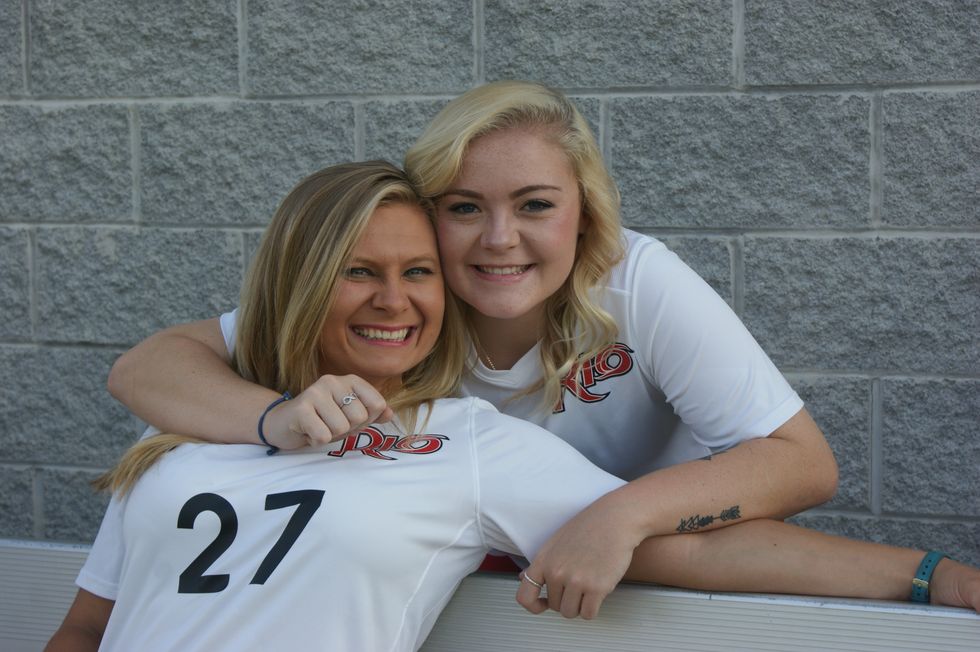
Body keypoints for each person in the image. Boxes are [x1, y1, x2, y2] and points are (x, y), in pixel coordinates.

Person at [47, 161, 980, 651]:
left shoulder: (463, 442)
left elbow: (684, 549)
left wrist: (929, 575)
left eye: (420, 273)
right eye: (359, 273)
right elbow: (87, 630)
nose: (394, 300)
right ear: (299, 286)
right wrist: (269, 417)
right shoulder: (191, 425)